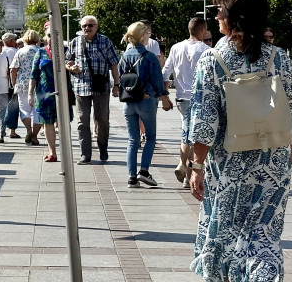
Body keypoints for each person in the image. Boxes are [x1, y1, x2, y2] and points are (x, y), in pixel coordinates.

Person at [188, 0, 292, 282]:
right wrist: (289, 149)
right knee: (264, 238)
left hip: (228, 166)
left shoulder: (212, 60)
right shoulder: (279, 57)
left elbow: (204, 121)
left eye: (219, 11)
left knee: (221, 235)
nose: (215, 17)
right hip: (272, 163)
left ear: (233, 18)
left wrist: (196, 165)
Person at [119, 22, 173, 188]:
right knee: (150, 137)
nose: (149, 36)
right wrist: (164, 98)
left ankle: (131, 177)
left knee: (132, 140)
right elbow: (157, 81)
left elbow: (121, 78)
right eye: (148, 34)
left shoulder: (124, 56)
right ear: (142, 36)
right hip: (146, 100)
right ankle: (143, 171)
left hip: (129, 102)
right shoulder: (149, 57)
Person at [163, 17, 211, 188]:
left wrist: (165, 95)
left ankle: (183, 167)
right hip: (199, 98)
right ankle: (187, 172)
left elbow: (165, 73)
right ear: (203, 30)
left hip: (182, 98)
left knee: (186, 134)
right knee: (197, 136)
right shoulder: (205, 50)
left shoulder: (176, 48)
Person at [65, 15, 120, 164]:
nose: (87, 28)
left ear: (96, 26)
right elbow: (67, 60)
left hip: (101, 87)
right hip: (81, 87)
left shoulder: (105, 41)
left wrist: (116, 85)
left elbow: (114, 64)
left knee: (102, 120)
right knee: (82, 121)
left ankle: (102, 147)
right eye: (84, 26)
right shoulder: (75, 42)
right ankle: (85, 154)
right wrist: (71, 67)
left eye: (90, 25)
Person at [29, 33, 65, 163]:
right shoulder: (40, 52)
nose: (51, 38)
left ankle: (65, 152)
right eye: (49, 35)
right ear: (45, 38)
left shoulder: (66, 51)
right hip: (44, 93)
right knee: (48, 122)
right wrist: (30, 93)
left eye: (54, 34)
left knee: (63, 122)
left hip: (64, 92)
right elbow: (34, 75)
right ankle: (52, 152)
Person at [10, 30, 43, 145]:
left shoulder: (20, 52)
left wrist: (13, 82)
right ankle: (34, 135)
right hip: (39, 84)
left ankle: (28, 130)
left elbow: (13, 69)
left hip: (23, 83)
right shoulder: (41, 51)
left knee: (24, 109)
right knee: (38, 111)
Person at [0, 33, 20, 139]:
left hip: (0, 83)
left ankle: (1, 130)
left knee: (2, 107)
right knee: (13, 106)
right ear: (11, 41)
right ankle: (12, 131)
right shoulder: (15, 51)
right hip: (12, 82)